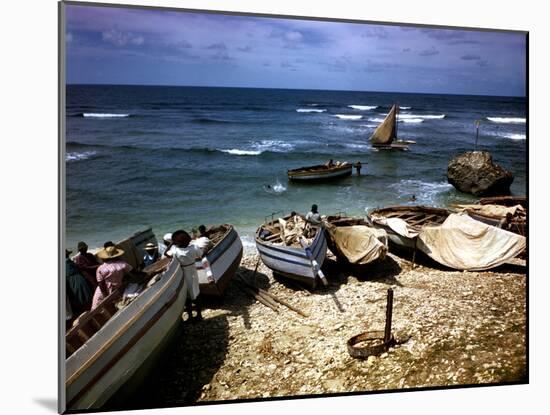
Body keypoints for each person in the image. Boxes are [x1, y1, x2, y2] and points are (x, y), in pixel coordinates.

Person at [165, 230, 203, 321]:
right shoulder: (194, 247)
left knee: (187, 296)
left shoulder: (175, 250)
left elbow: (166, 253)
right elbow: (202, 254)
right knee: (196, 293)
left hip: (183, 273)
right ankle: (199, 315)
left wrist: (171, 244)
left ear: (176, 242)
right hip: (193, 272)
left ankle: (190, 316)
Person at [91, 245, 133, 310]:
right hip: (109, 292)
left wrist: (106, 298)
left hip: (103, 293)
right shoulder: (122, 264)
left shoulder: (101, 268)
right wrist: (107, 298)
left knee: (98, 309)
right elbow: (134, 272)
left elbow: (101, 284)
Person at [66, 249, 94, 316]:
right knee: (84, 293)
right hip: (76, 278)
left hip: (71, 280)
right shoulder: (68, 261)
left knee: (78, 295)